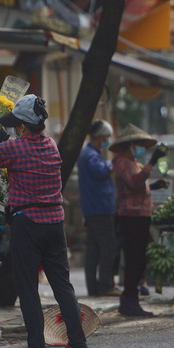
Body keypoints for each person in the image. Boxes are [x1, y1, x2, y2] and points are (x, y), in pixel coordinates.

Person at [0, 94, 89, 348]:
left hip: (28, 225)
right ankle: (77, 341)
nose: (15, 129)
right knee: (62, 285)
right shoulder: (51, 145)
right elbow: (21, 149)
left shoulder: (15, 150)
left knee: (27, 286)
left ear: (24, 127)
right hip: (55, 223)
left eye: (17, 125)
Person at [109, 124, 167, 317]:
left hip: (140, 216)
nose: (142, 148)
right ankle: (129, 301)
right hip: (131, 217)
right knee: (134, 260)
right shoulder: (122, 162)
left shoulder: (131, 162)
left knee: (139, 259)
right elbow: (134, 182)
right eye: (140, 144)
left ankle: (131, 300)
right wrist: (152, 162)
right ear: (131, 145)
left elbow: (138, 183)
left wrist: (155, 186)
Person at [76, 120, 120, 297]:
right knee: (108, 248)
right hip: (99, 209)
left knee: (93, 250)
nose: (107, 140)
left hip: (93, 209)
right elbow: (100, 172)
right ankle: (105, 286)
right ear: (99, 137)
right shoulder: (91, 155)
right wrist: (112, 164)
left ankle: (93, 288)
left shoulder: (90, 152)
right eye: (107, 137)